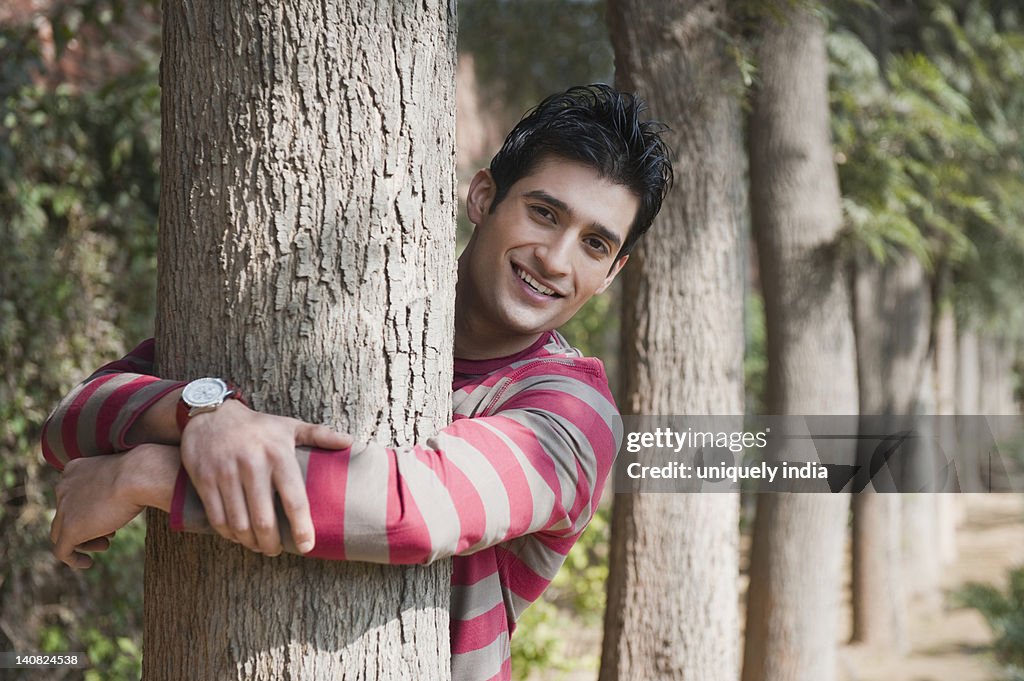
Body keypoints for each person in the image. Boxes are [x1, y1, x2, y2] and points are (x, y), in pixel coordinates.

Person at [42, 83, 673, 681]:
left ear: (612, 272)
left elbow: (411, 509)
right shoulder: (321, 303)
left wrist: (145, 475)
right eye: (543, 212)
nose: (555, 259)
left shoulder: (574, 409)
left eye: (594, 244)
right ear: (483, 197)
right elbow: (71, 420)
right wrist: (201, 413)